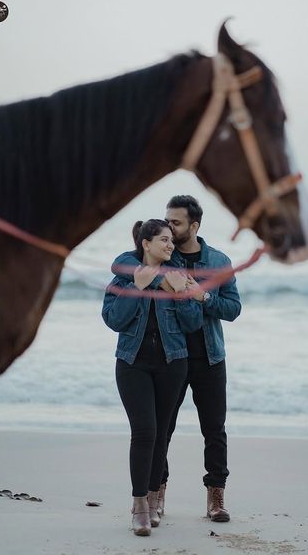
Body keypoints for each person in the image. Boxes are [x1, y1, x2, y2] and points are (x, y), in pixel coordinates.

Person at [101, 219, 203, 536]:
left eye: (172, 240)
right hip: (132, 363)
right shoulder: (124, 277)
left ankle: (156, 498)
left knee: (161, 434)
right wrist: (139, 287)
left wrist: (181, 294)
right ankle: (140, 505)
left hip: (173, 363)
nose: (170, 245)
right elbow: (113, 319)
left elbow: (192, 324)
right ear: (146, 243)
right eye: (163, 240)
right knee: (144, 432)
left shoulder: (178, 276)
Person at [160, 195, 242, 522]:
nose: (170, 227)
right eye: (168, 221)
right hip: (171, 355)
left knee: (214, 429)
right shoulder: (163, 258)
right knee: (162, 429)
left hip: (210, 357)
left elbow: (233, 309)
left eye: (176, 222)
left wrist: (203, 296)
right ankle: (156, 493)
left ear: (194, 225)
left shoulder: (219, 262)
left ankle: (216, 499)